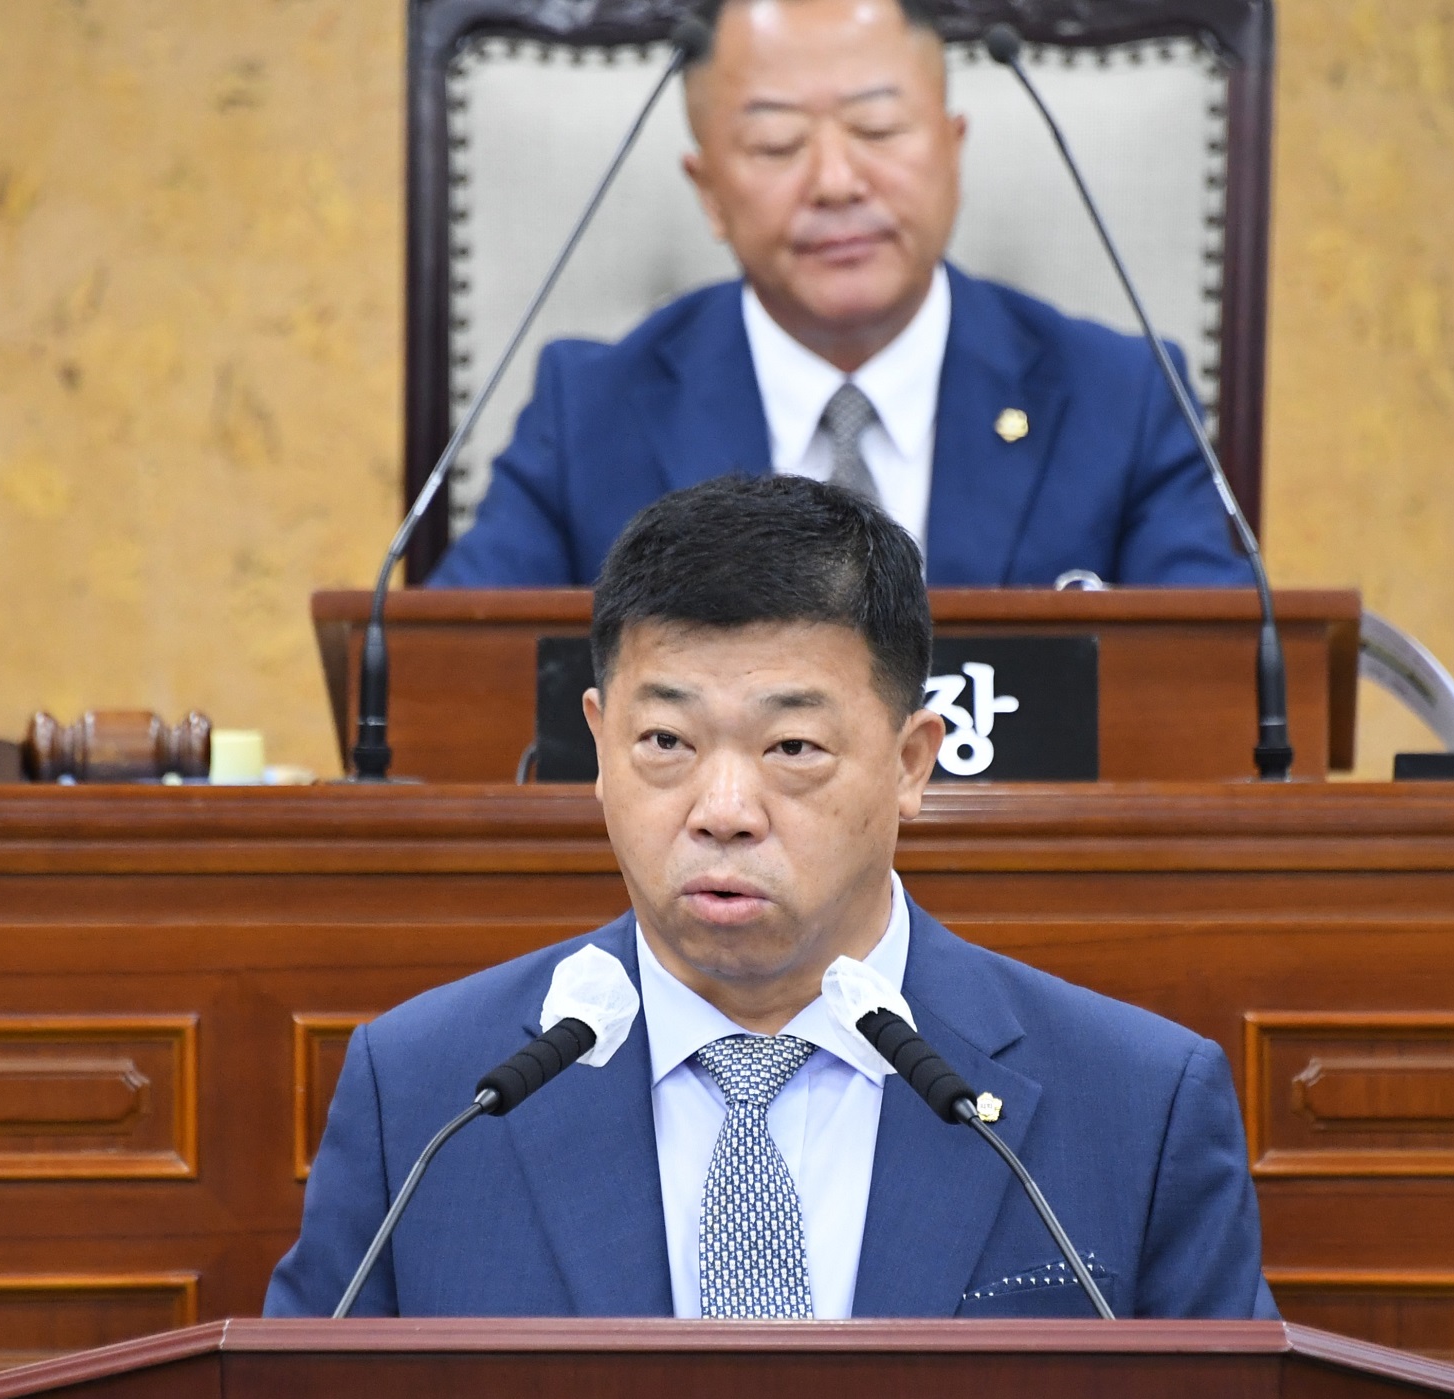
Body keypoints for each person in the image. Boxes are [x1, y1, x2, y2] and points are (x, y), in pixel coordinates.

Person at [267, 475, 1275, 1319]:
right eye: (665, 742)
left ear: (914, 762)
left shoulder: (1139, 1105)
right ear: (599, 744)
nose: (724, 809)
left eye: (792, 747)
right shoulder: (428, 1095)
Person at [429, 0, 1252, 592]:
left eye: (879, 129)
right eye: (777, 142)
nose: (835, 181)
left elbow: (1223, 695)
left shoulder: (1125, 398)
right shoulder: (592, 412)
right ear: (709, 191)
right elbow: (448, 689)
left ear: (953, 150)